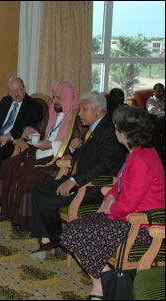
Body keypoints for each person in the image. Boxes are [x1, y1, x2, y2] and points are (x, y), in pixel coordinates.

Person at [61, 106, 165, 300]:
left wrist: (112, 208)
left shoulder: (142, 159)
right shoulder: (137, 152)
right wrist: (111, 196)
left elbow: (128, 205)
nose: (114, 130)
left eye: (116, 127)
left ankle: (101, 284)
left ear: (124, 133)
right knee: (74, 230)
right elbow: (119, 182)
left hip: (141, 225)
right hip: (126, 217)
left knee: (75, 232)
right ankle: (102, 282)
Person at [28, 92, 127, 260]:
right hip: (81, 179)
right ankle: (52, 240)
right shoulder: (95, 127)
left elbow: (103, 166)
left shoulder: (109, 131)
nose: (80, 113)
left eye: (84, 109)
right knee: (39, 188)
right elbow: (89, 158)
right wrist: (75, 148)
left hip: (95, 187)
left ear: (98, 110)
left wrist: (73, 180)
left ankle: (59, 242)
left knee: (47, 199)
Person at [0, 81, 85, 231]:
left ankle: (23, 219)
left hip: (56, 159)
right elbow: (40, 128)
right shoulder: (53, 112)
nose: (54, 101)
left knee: (29, 175)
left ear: (67, 98)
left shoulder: (77, 119)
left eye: (58, 98)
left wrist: (52, 145)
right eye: (53, 97)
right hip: (38, 151)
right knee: (8, 166)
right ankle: (8, 211)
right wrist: (31, 130)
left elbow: (76, 145)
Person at [146, 83, 165, 165]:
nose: (161, 93)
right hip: (158, 122)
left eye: (163, 91)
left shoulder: (164, 100)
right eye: (159, 91)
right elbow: (153, 112)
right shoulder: (151, 101)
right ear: (154, 92)